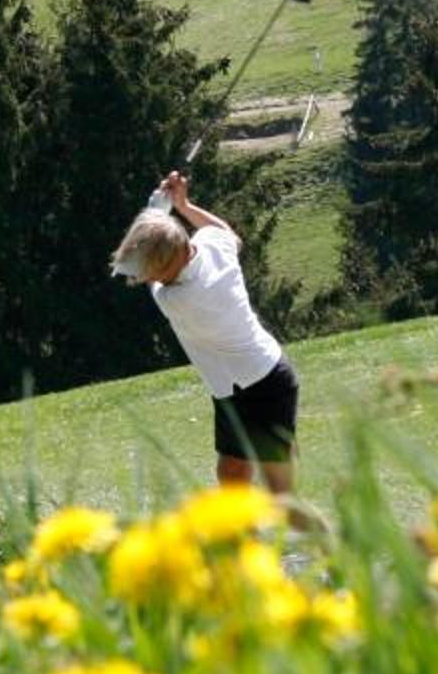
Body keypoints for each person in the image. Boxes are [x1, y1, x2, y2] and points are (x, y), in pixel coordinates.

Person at [109, 172, 311, 521]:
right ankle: (241, 544)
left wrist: (157, 208)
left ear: (169, 264)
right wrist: (183, 205)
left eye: (151, 271)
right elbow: (227, 233)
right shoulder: (213, 248)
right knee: (232, 474)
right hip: (232, 389)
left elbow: (146, 272)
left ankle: (329, 548)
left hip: (266, 384)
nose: (145, 277)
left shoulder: (177, 298)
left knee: (282, 498)